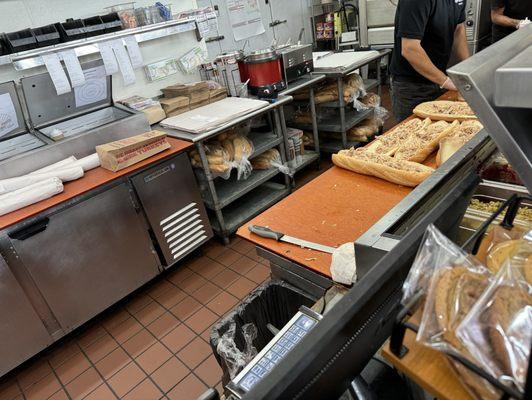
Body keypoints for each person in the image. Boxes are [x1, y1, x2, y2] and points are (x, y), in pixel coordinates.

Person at [389, 0, 470, 122]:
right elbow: (410, 48)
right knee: (415, 135)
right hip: (412, 87)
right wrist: (445, 81)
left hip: (439, 79)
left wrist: (469, 70)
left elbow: (458, 29)